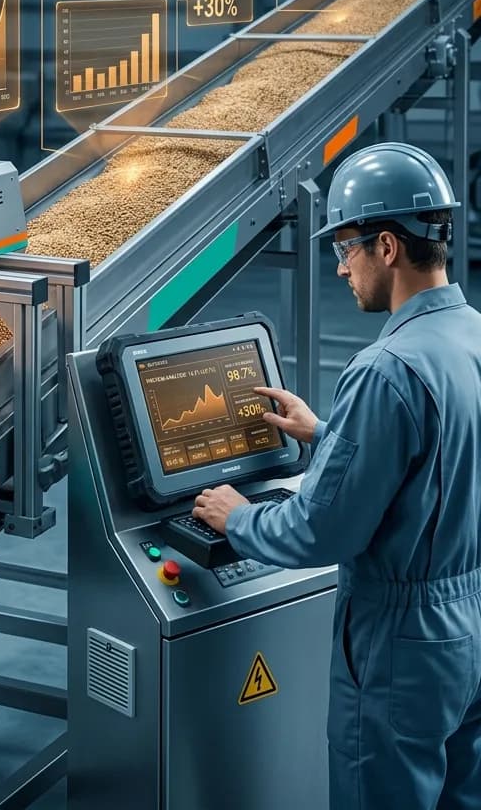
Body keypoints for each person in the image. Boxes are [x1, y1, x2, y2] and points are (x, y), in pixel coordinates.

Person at [192, 142, 481, 810]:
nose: (342, 269)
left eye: (345, 249)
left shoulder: (386, 369)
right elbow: (441, 458)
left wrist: (235, 515)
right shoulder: (469, 336)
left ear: (386, 246)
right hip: (467, 623)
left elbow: (322, 530)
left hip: (399, 644)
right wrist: (330, 436)